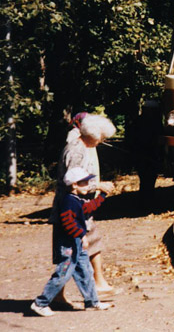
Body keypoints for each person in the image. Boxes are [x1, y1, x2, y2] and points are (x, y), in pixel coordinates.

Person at [51, 114, 117, 303]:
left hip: (81, 208)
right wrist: (98, 186)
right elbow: (73, 180)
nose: (102, 140)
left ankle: (98, 284)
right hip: (70, 209)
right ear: (93, 134)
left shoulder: (82, 148)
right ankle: (55, 295)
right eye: (101, 137)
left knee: (91, 242)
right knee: (67, 253)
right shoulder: (76, 151)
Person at [31, 167, 112, 316]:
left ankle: (92, 302)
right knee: (63, 273)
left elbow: (87, 208)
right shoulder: (68, 201)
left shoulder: (77, 200)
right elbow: (68, 221)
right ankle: (40, 303)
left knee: (86, 271)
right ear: (74, 185)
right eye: (84, 183)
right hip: (68, 244)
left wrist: (102, 196)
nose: (88, 185)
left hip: (76, 244)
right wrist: (81, 235)